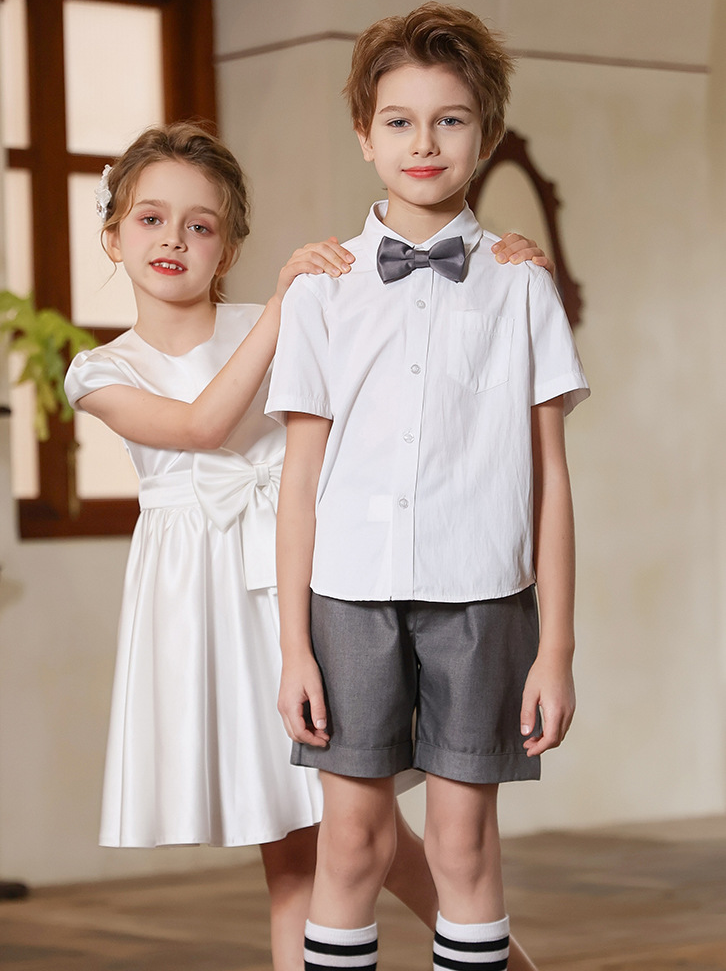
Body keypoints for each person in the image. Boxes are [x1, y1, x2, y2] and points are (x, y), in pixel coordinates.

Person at [64, 122, 548, 971]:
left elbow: (404, 341)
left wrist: (502, 261)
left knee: (349, 823)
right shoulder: (102, 369)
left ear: (229, 248)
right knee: (294, 842)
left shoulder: (290, 309)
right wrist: (284, 308)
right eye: (149, 219)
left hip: (313, 576)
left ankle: (499, 956)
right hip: (208, 604)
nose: (173, 240)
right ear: (112, 235)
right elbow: (202, 426)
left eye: (201, 225)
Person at [268, 1, 589, 971]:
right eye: (399, 120)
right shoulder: (321, 289)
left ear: (485, 136)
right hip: (347, 595)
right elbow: (299, 478)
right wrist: (293, 646)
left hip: (484, 596)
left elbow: (550, 476)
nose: (424, 142)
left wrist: (557, 648)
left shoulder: (521, 285)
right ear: (364, 135)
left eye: (450, 120)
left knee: (463, 843)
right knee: (352, 843)